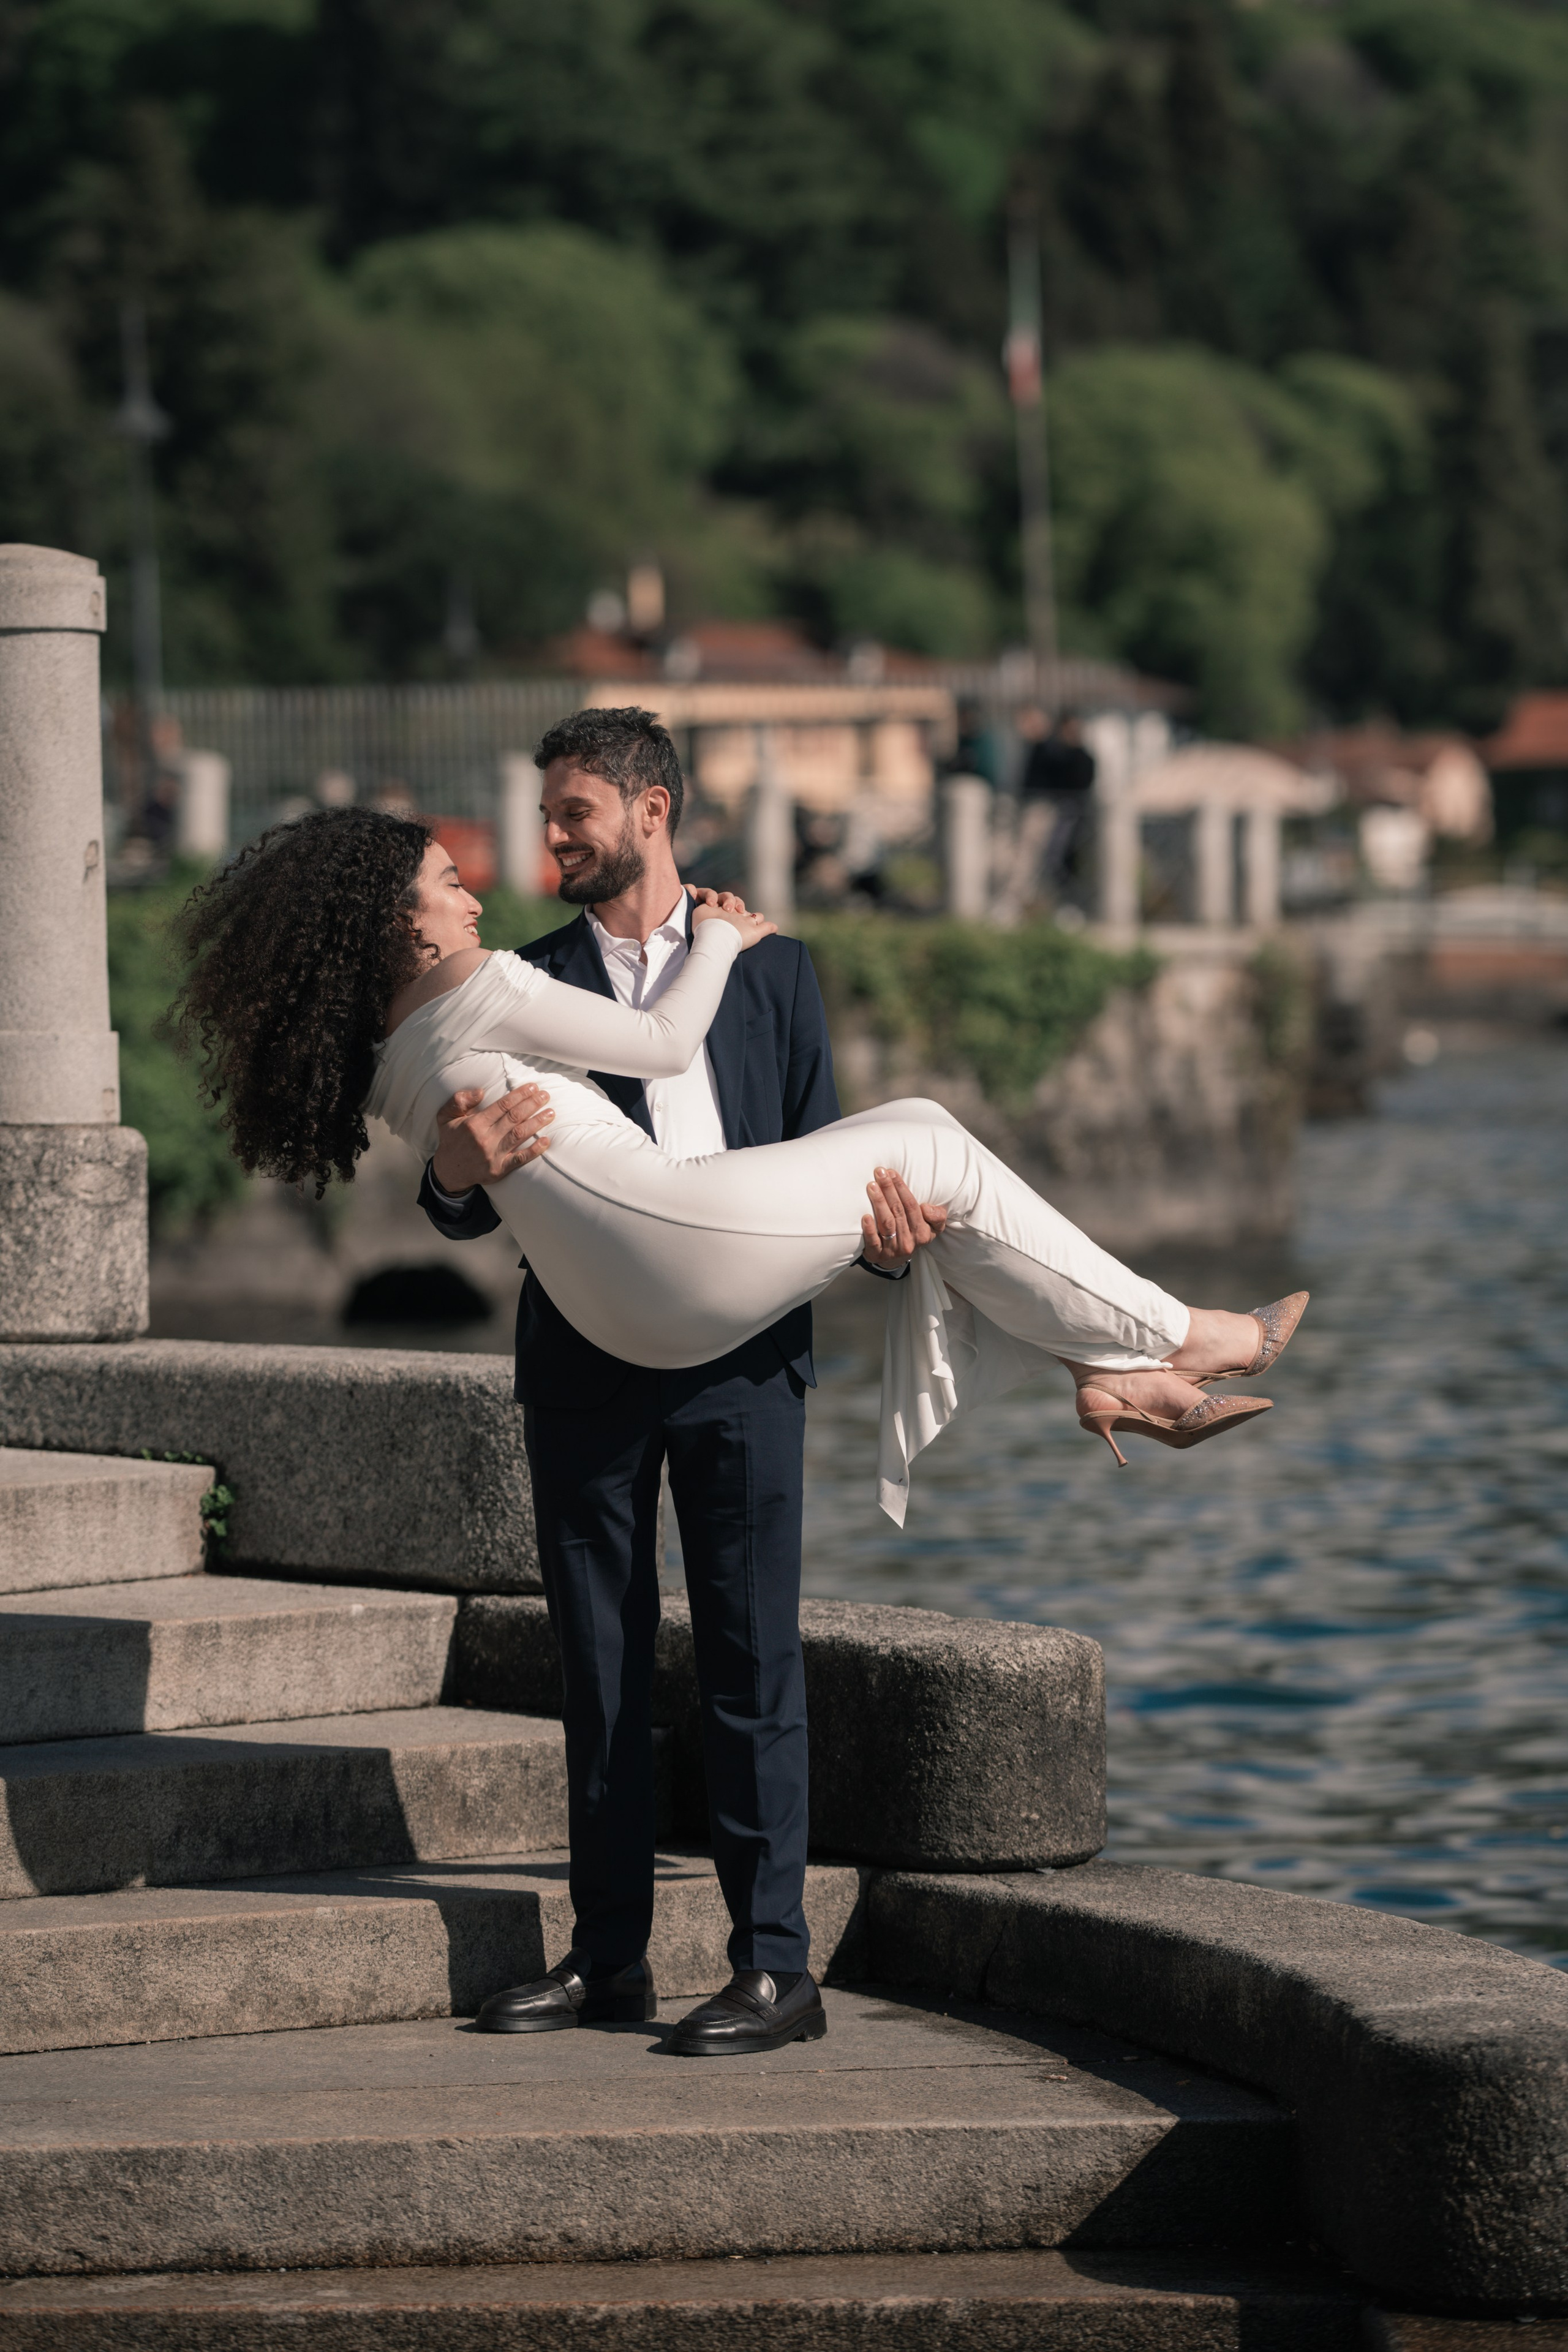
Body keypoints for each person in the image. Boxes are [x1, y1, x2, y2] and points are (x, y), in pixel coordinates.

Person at [172, 734, 1308, 2056]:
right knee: (596, 1675)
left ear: (651, 811)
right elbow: (475, 1179)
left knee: (750, 1661)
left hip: (741, 1346)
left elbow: (827, 1149)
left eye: (572, 813)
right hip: (598, 1353)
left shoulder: (774, 970)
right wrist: (458, 1171)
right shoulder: (516, 972)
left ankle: (773, 1967)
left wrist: (883, 1241)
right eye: (540, 820)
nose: (543, 844)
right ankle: (608, 1965)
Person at [1001, 707, 1097, 919]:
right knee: (1028, 858)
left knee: (1062, 861)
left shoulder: (1068, 753)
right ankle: (1018, 904)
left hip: (1069, 816)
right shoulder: (1043, 749)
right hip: (1044, 811)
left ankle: (1066, 906)